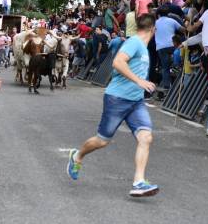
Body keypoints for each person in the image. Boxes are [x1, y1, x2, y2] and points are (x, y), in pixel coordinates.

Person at [66, 14, 160, 197]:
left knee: (146, 138)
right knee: (102, 140)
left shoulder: (143, 47)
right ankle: (77, 156)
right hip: (117, 99)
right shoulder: (135, 43)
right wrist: (140, 81)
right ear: (153, 30)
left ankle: (139, 182)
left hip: (136, 102)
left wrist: (141, 83)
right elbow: (117, 63)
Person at [155, 7, 185, 91]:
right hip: (173, 45)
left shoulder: (155, 23)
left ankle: (166, 87)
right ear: (167, 14)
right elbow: (183, 30)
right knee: (178, 65)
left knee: (165, 68)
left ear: (158, 15)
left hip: (160, 47)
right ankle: (181, 85)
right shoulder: (172, 21)